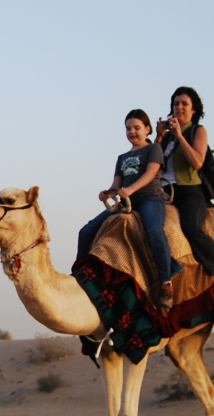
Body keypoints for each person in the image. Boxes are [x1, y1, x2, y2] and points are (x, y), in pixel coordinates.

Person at [77, 109, 184, 308]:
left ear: (147, 129)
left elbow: (151, 173)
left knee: (154, 231)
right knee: (86, 231)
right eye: (128, 128)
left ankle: (165, 281)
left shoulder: (153, 149)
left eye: (137, 128)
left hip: (150, 198)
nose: (132, 132)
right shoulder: (122, 157)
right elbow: (117, 184)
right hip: (126, 200)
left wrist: (131, 189)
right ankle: (81, 276)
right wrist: (108, 193)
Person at [156, 87, 214, 276]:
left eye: (184, 104)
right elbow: (154, 164)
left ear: (193, 109)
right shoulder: (168, 136)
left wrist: (179, 136)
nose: (179, 107)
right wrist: (160, 136)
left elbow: (197, 162)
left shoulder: (198, 131)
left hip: (189, 191)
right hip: (164, 191)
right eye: (176, 104)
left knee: (191, 227)